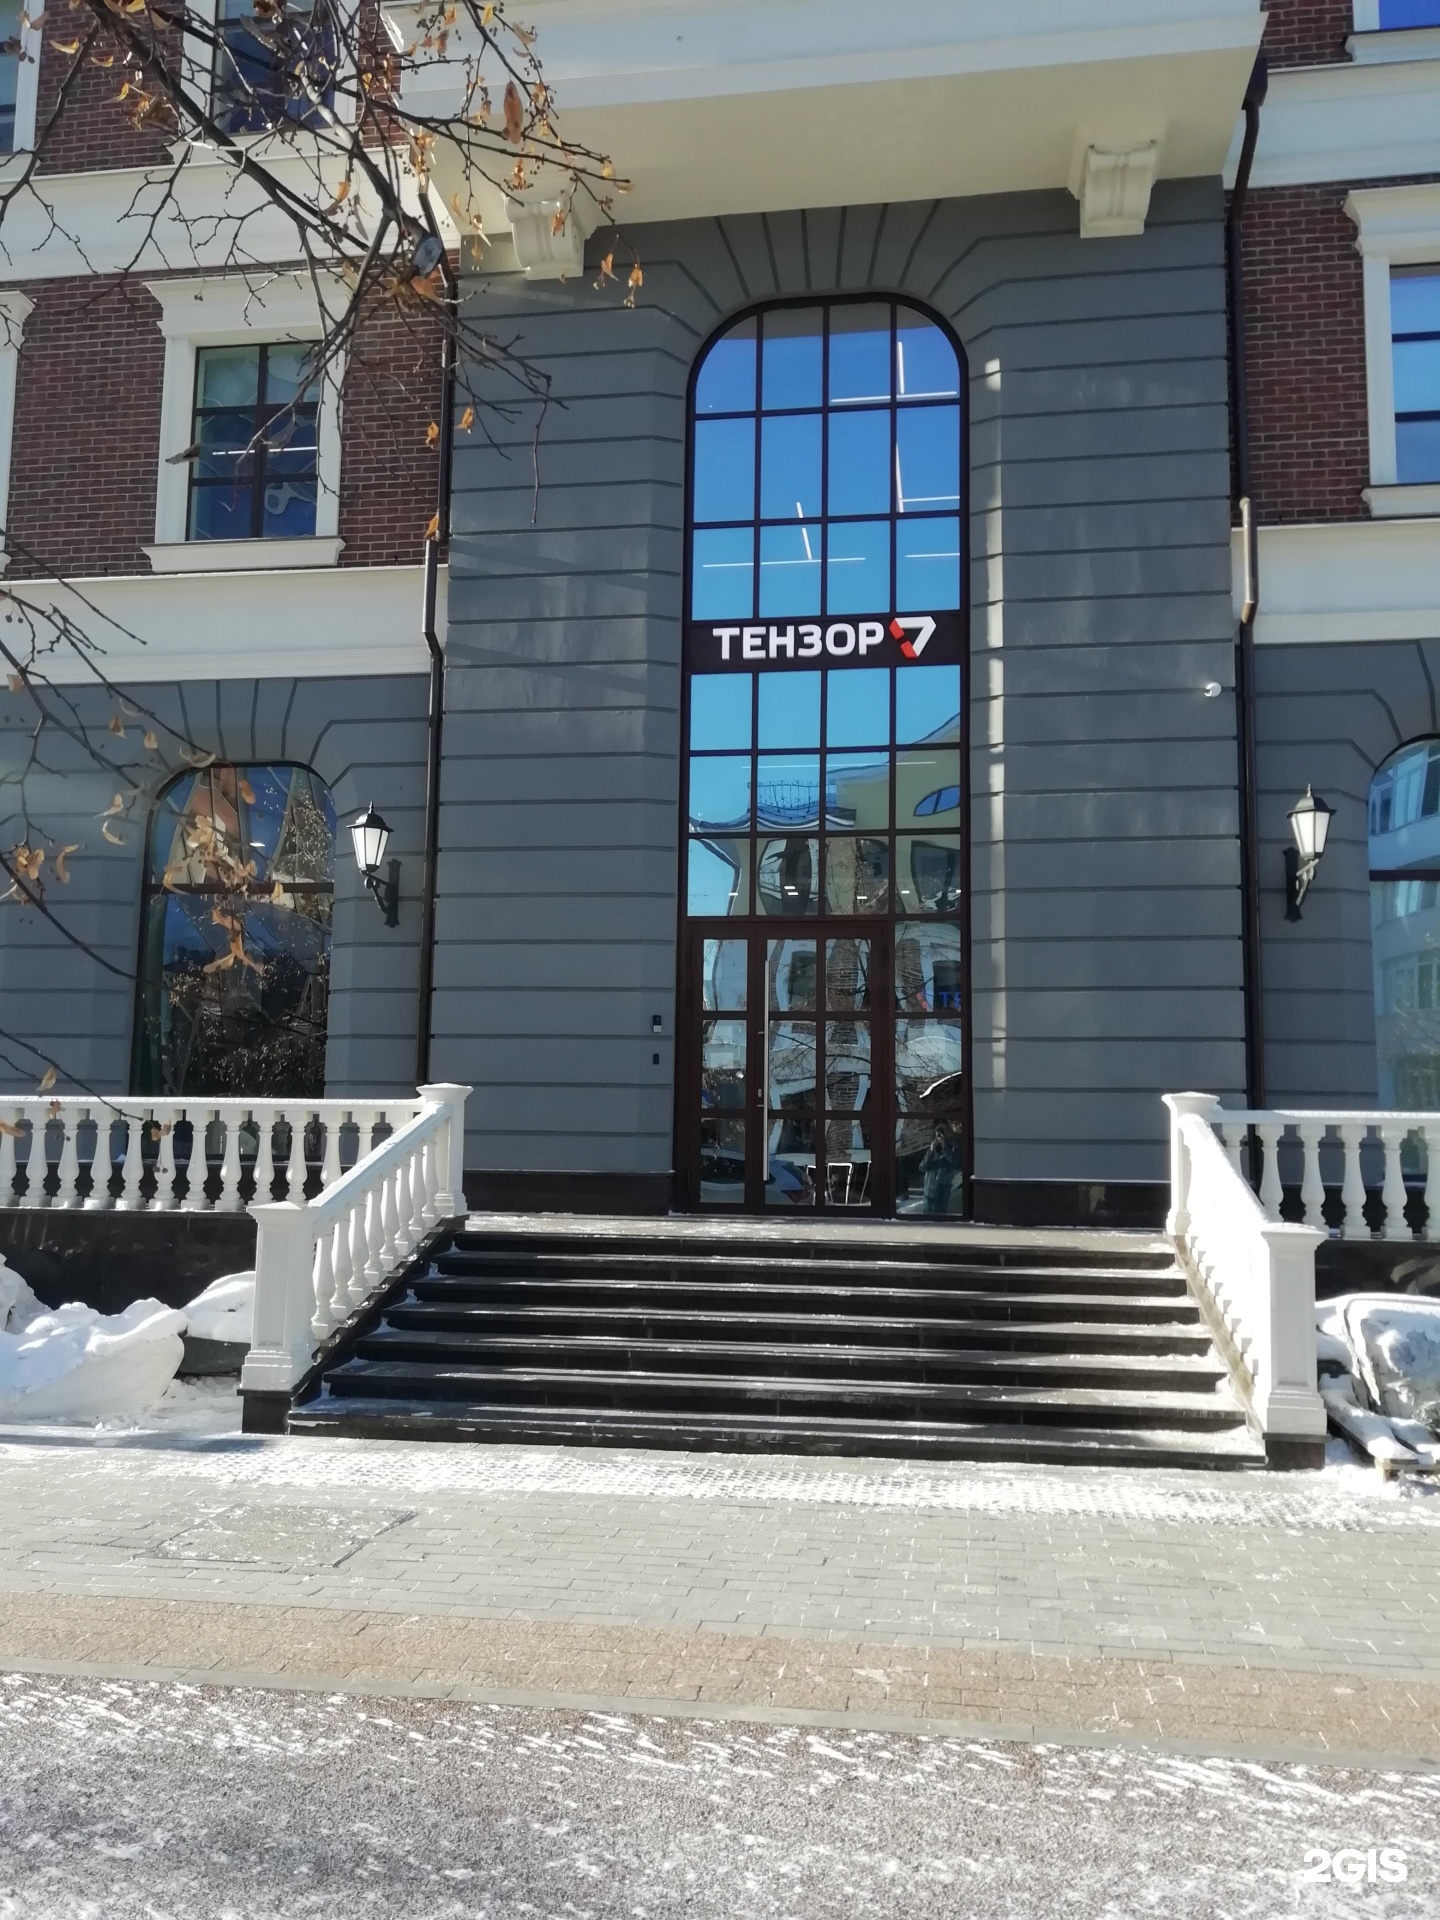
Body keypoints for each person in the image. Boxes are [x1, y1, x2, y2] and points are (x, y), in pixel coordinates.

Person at [920, 1123, 958, 1215]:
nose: (939, 1138)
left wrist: (944, 1147)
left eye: (941, 1135)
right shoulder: (932, 1150)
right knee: (927, 1218)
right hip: (929, 1191)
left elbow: (954, 1161)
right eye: (937, 1135)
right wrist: (931, 1151)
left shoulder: (952, 1147)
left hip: (943, 1191)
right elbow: (922, 1167)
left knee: (940, 1217)